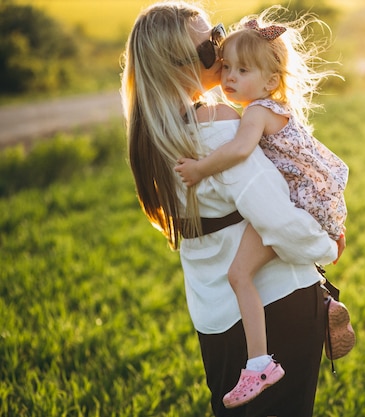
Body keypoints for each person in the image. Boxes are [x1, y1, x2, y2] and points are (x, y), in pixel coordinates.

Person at [120, 2, 345, 416]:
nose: (222, 54)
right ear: (176, 66)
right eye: (211, 48)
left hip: (213, 312)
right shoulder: (220, 123)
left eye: (219, 37)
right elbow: (274, 217)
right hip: (277, 302)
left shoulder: (153, 136)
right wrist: (326, 247)